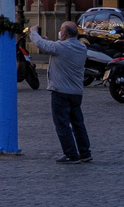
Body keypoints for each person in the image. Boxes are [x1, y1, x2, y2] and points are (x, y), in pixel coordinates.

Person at [28, 21, 91, 163]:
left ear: (64, 33)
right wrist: (46, 40)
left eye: (61, 30)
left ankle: (71, 154)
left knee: (62, 124)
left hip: (61, 92)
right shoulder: (81, 48)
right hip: (76, 92)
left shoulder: (61, 47)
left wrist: (33, 32)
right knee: (78, 124)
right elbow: (55, 47)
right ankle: (85, 152)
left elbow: (43, 45)